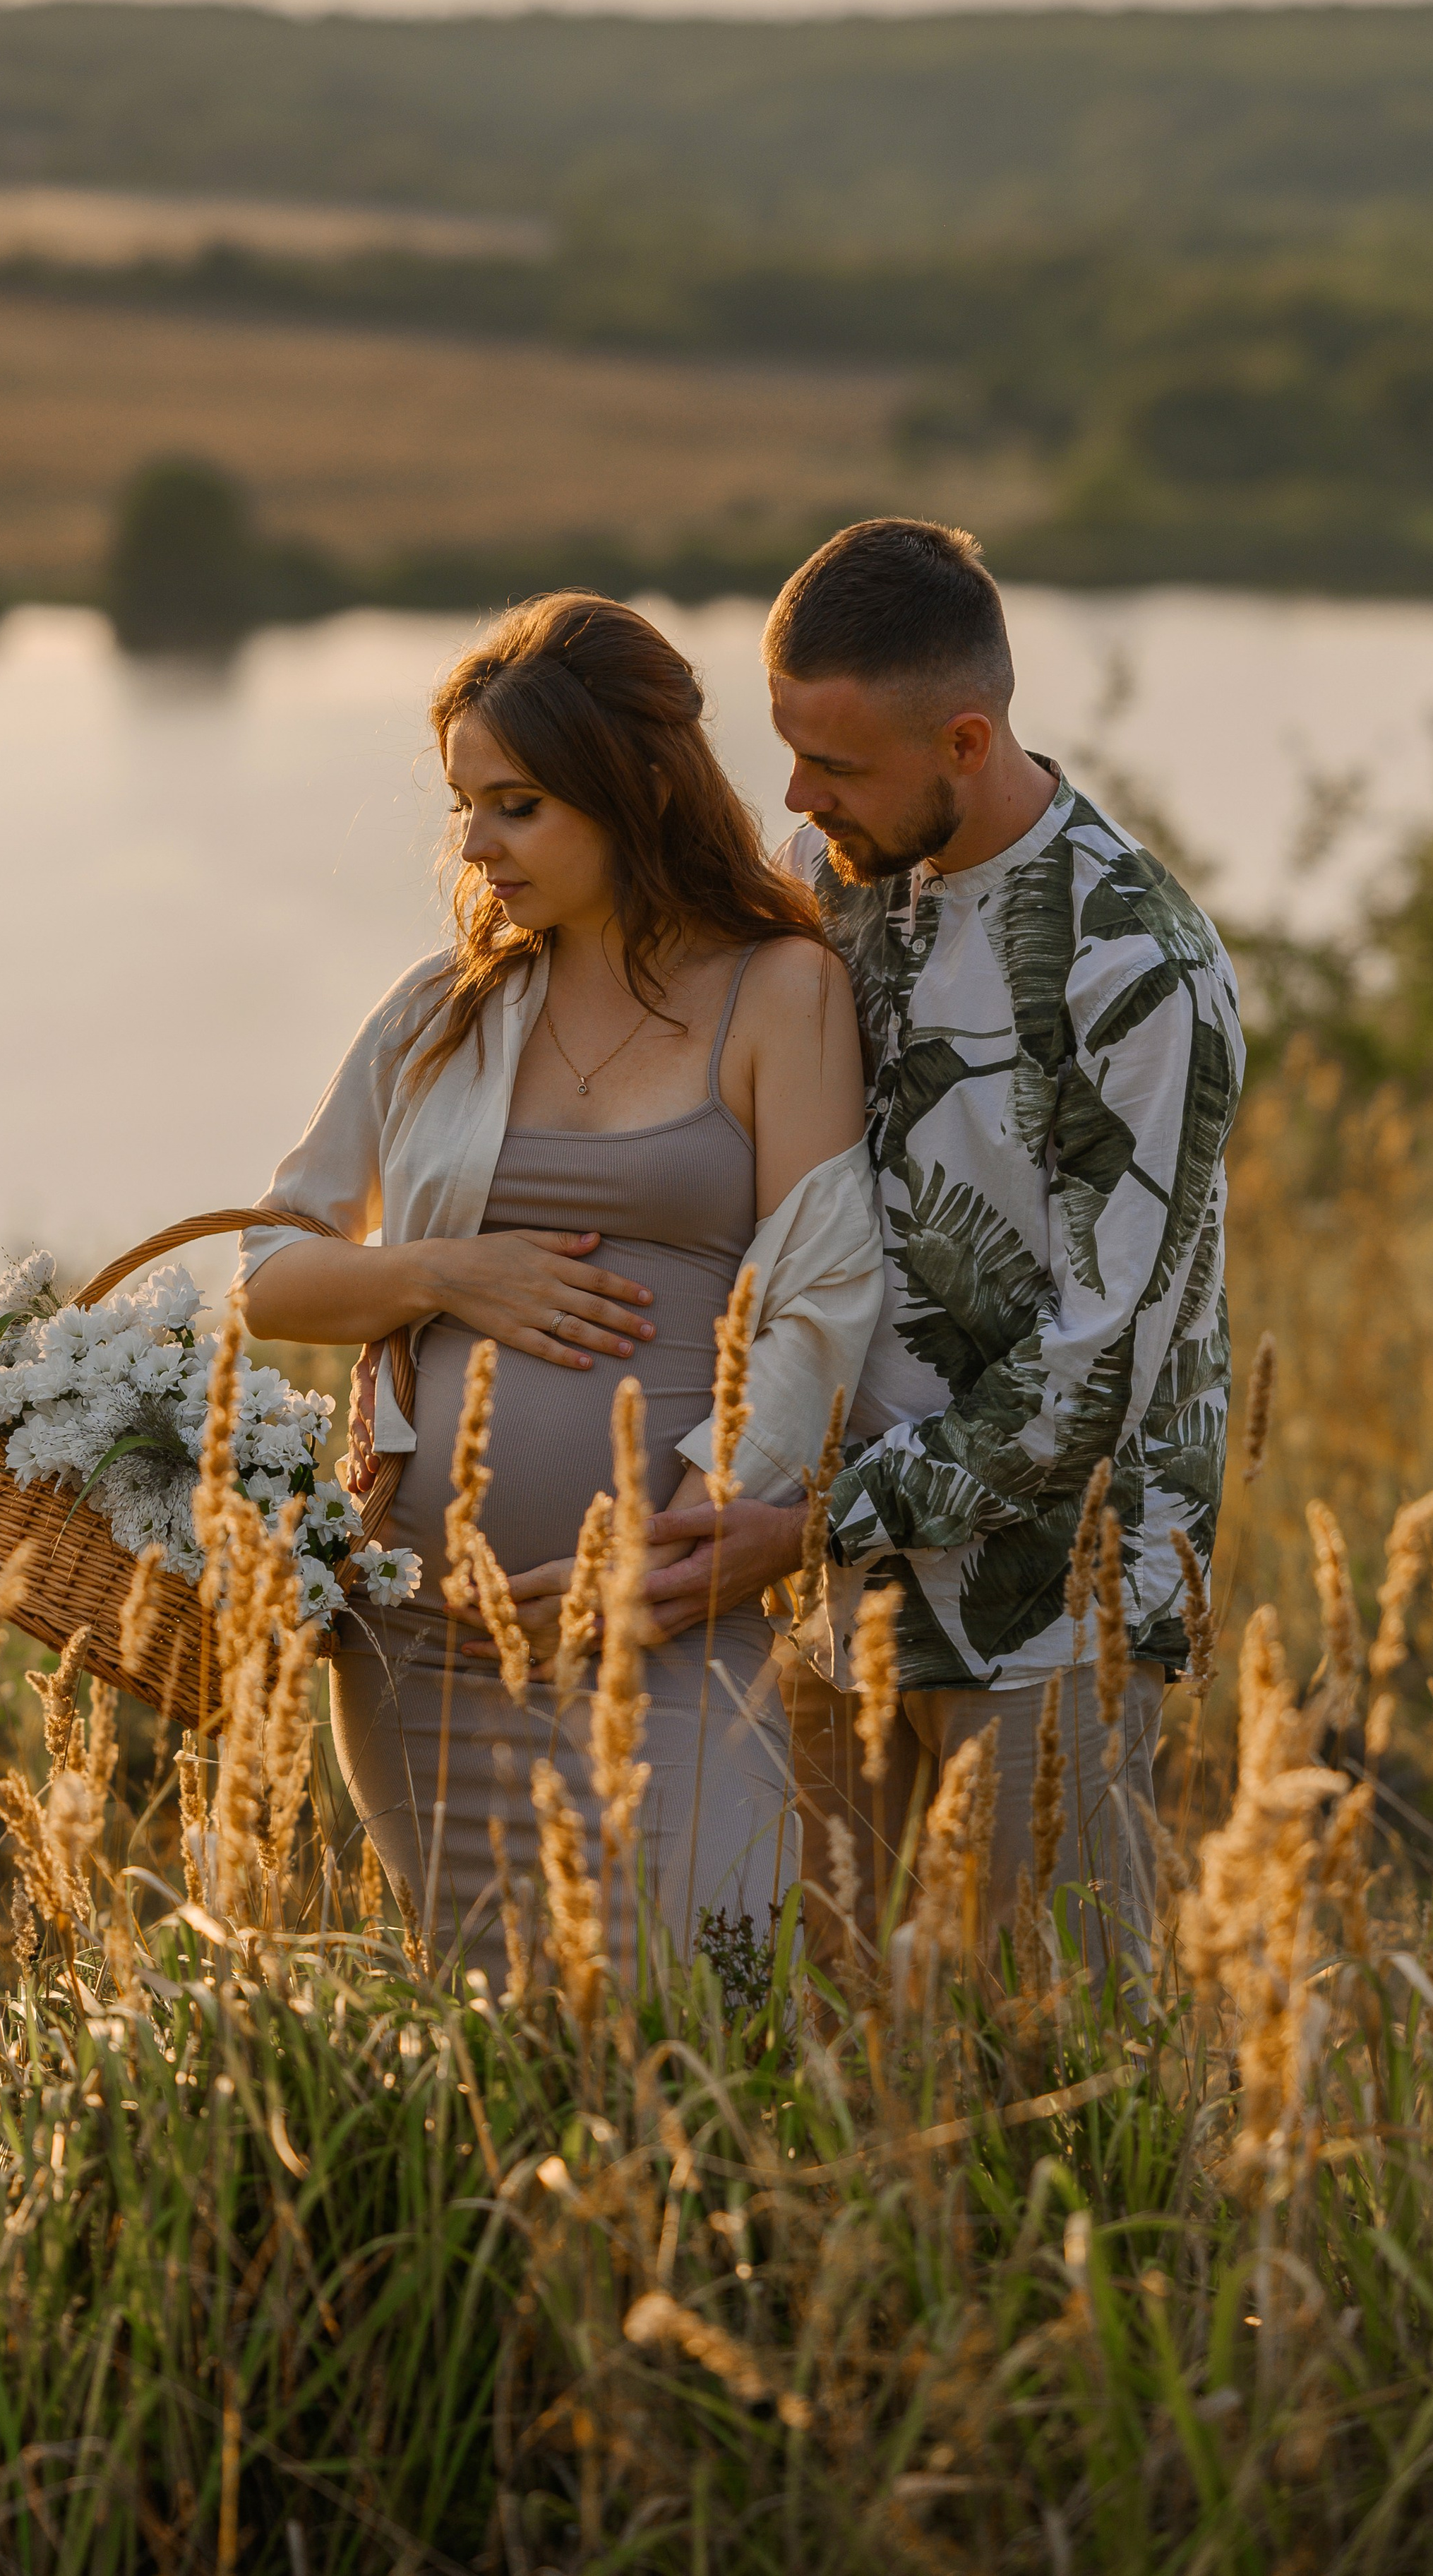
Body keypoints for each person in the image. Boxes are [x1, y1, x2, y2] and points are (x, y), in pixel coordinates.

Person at [557, 520, 1246, 1979]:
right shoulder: (826, 868)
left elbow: (1088, 1370)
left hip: (1051, 1613)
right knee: (828, 2049)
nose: (795, 797)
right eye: (786, 748)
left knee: (1058, 2065)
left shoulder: (1138, 973)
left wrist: (800, 1523)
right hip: (822, 1600)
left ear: (966, 736)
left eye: (838, 764)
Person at [236, 591, 881, 1968]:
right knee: (492, 2041)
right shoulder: (436, 1012)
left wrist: (669, 1558)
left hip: (669, 1623)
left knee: (699, 1992)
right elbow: (268, 1271)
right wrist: (440, 1272)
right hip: (422, 1638)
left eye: (516, 804)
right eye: (466, 805)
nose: (475, 842)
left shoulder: (777, 990)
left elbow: (816, 1300)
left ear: (635, 784)